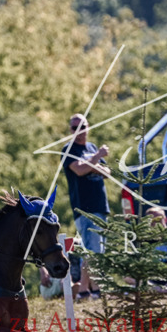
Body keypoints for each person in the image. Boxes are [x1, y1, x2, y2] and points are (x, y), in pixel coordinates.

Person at [62, 113, 110, 299]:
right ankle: (91, 290)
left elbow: (107, 172)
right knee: (91, 250)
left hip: (100, 205)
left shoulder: (91, 147)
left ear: (88, 127)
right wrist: (97, 158)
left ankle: (86, 290)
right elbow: (79, 170)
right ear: (70, 130)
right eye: (75, 128)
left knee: (96, 249)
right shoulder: (69, 150)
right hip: (84, 207)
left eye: (83, 127)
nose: (79, 131)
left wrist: (93, 163)